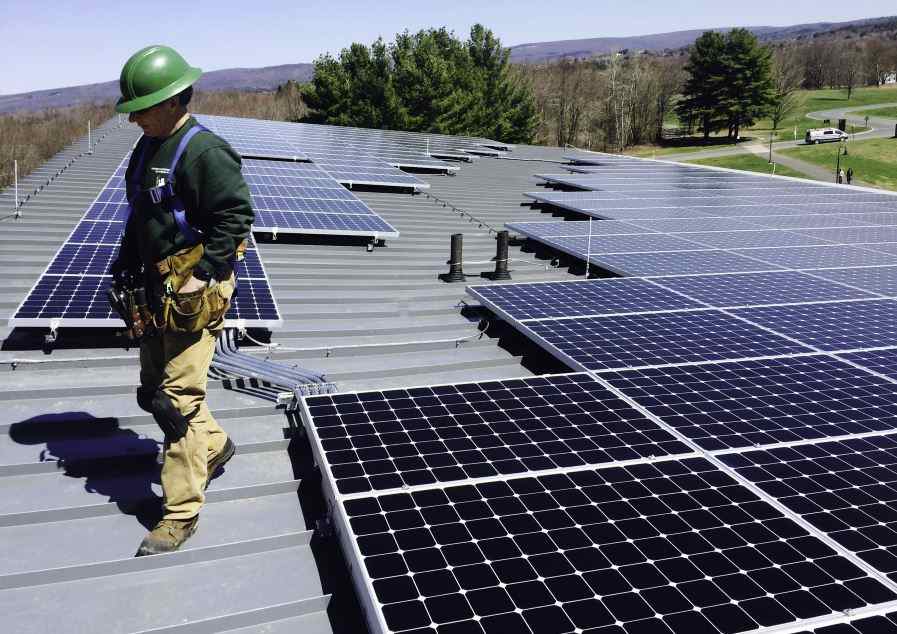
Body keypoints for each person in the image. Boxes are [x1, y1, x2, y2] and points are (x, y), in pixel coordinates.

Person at [109, 45, 254, 556]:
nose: (137, 119)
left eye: (144, 108)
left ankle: (179, 514)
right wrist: (125, 261)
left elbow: (235, 219)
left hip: (192, 293)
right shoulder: (149, 148)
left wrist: (205, 275)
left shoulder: (203, 152)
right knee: (153, 391)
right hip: (153, 290)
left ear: (174, 100)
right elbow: (141, 212)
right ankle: (214, 447)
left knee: (177, 401)